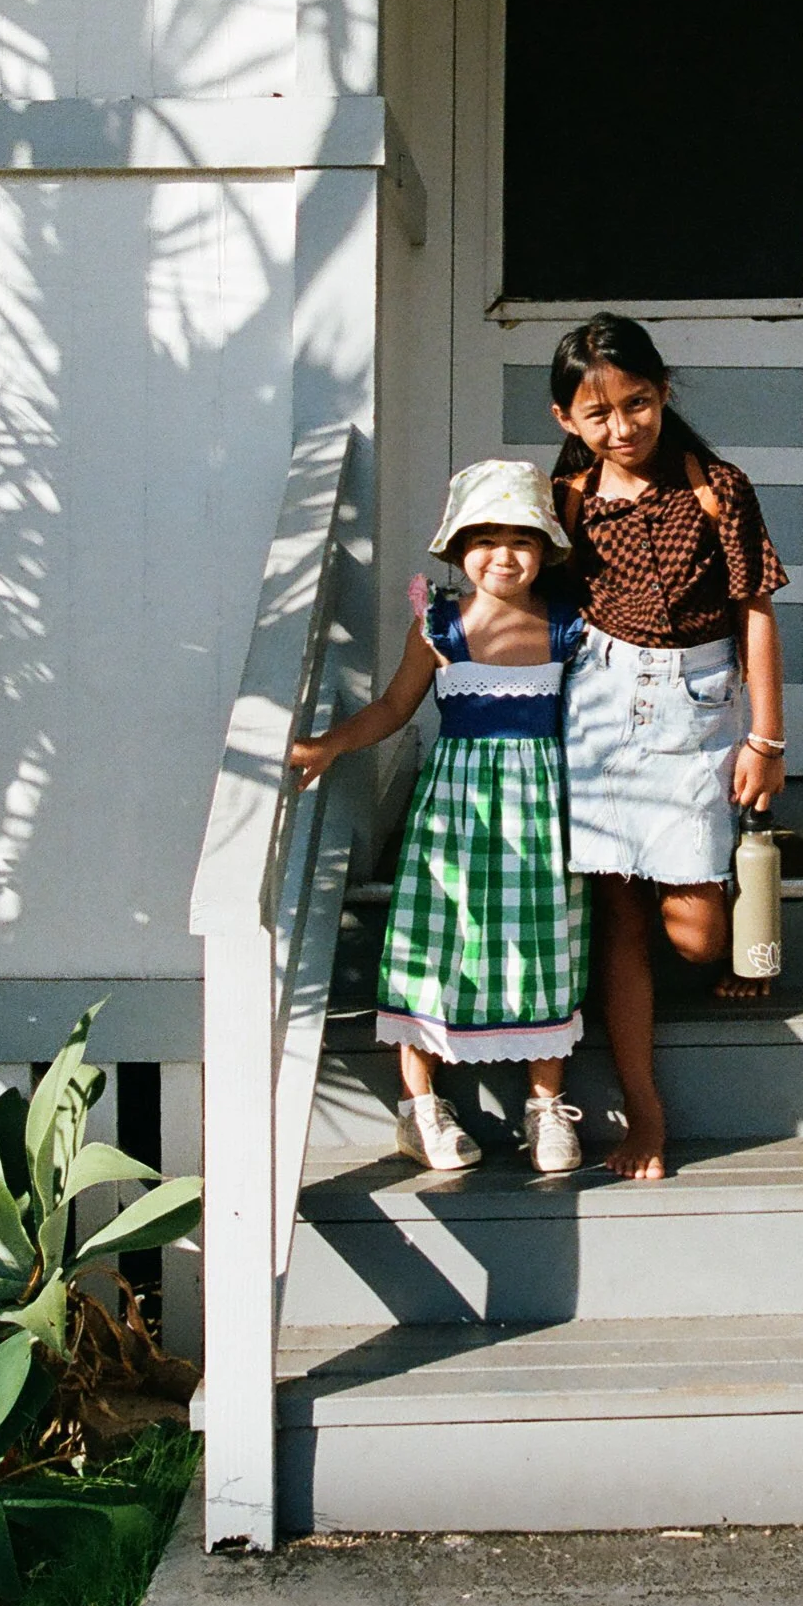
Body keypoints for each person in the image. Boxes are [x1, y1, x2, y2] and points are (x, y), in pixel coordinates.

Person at [289, 459, 587, 1177]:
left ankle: (545, 1103)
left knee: (542, 943)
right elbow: (393, 708)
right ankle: (419, 1106)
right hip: (456, 811)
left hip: (543, 812)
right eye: (482, 539)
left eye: (520, 538)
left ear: (545, 548)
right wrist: (331, 744)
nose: (502, 555)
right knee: (434, 939)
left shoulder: (568, 628)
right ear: (456, 550)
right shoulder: (440, 627)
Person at [548, 312, 789, 1181]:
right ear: (567, 420)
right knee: (617, 910)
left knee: (692, 940)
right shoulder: (568, 499)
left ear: (663, 392)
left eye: (638, 402)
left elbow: (754, 610)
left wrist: (766, 735)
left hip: (696, 707)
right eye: (600, 413)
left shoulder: (715, 486)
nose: (623, 427)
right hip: (602, 705)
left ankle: (737, 877)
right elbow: (538, 601)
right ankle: (643, 1108)